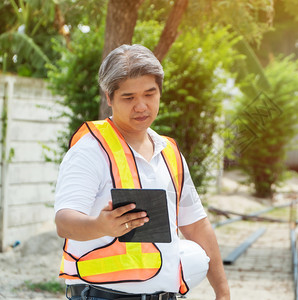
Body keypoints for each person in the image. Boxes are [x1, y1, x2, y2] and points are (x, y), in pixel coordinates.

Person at [54, 44, 230, 300]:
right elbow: (64, 222)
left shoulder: (169, 152)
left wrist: (223, 293)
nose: (141, 106)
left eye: (150, 94)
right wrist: (100, 226)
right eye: (129, 97)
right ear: (109, 97)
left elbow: (196, 225)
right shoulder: (89, 151)